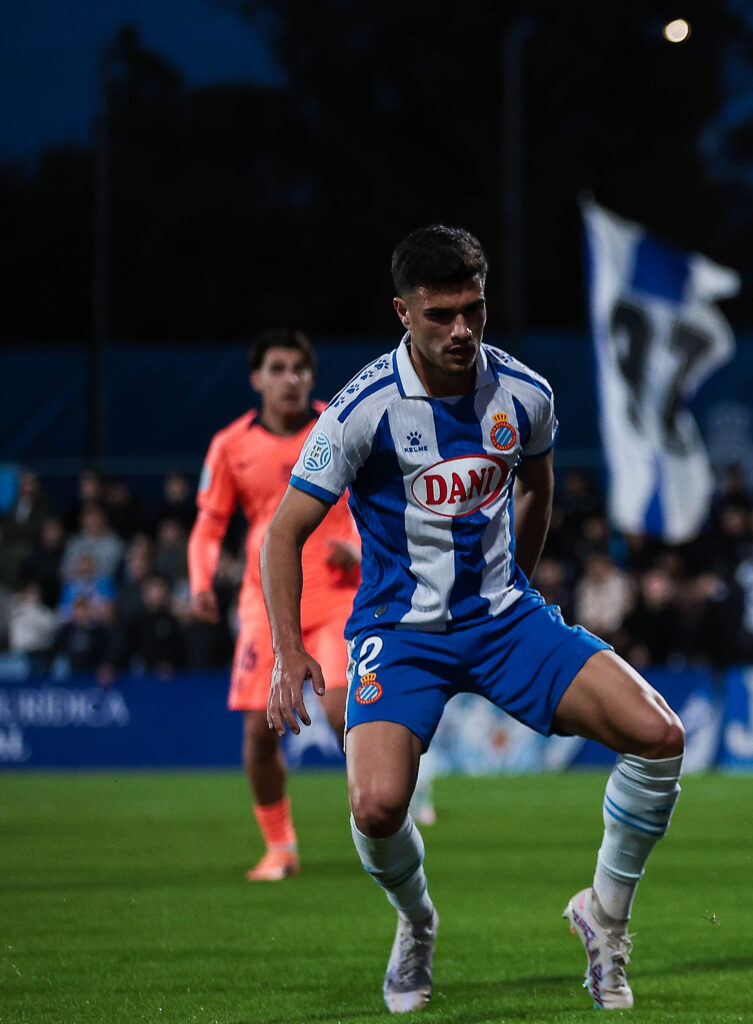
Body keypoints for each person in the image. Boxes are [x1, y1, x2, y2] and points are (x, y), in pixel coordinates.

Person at [261, 226, 687, 1013]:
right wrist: (289, 654)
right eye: (440, 315)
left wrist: (517, 584)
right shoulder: (363, 409)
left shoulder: (526, 394)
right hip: (401, 632)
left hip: (503, 619)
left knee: (660, 736)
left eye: (474, 309)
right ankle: (416, 923)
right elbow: (282, 532)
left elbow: (537, 484)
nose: (461, 330)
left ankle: (604, 919)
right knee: (377, 806)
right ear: (403, 313)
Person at [189, 329, 364, 881]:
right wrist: (200, 582)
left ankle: (385, 825)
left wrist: (358, 549)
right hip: (264, 607)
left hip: (338, 597)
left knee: (343, 713)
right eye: (278, 368)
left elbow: (378, 508)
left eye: (299, 369)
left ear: (313, 376)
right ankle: (280, 847)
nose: (290, 379)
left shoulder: (339, 428)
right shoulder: (230, 445)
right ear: (257, 378)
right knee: (260, 734)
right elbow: (209, 524)